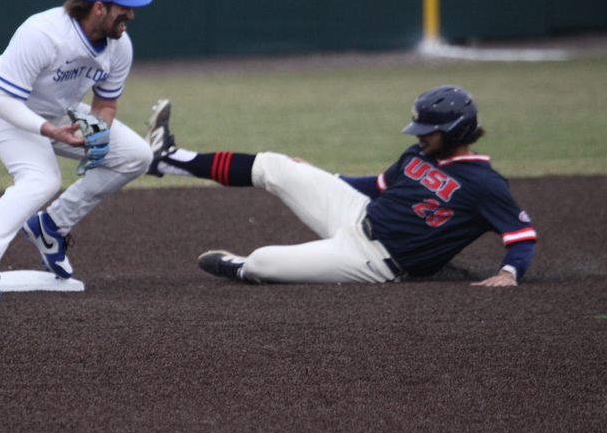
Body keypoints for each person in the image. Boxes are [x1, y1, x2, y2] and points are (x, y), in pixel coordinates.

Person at [143, 86, 537, 286]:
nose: (420, 137)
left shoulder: (484, 183)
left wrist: (509, 272)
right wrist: (323, 178)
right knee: (277, 166)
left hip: (372, 260)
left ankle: (239, 267)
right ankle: (168, 159)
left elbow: (521, 234)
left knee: (262, 260)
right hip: (357, 212)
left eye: (428, 131)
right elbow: (376, 186)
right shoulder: (418, 155)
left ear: (456, 131)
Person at [0, 0, 153, 301]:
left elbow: (105, 105)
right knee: (41, 179)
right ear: (99, 7)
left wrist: (98, 129)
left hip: (59, 114)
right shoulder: (43, 33)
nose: (131, 13)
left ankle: (51, 224)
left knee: (137, 156)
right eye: (123, 6)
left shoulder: (118, 45)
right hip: (5, 111)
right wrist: (50, 130)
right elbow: (1, 99)